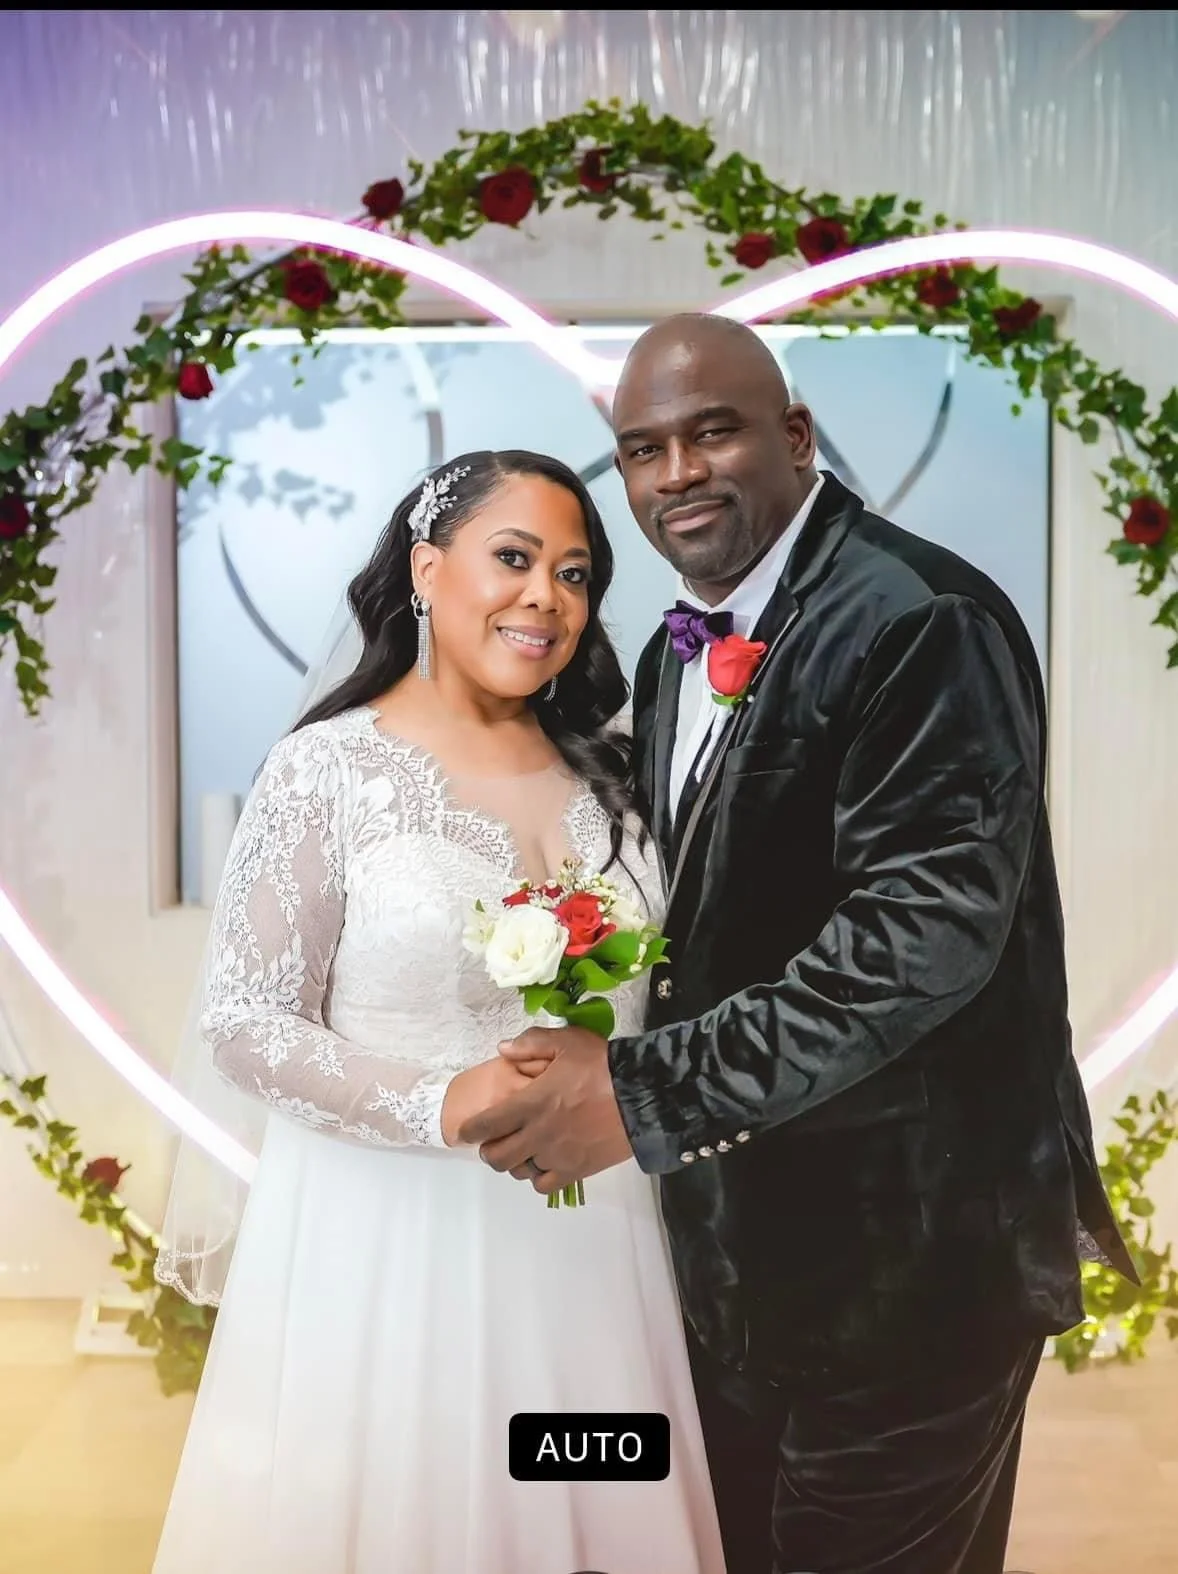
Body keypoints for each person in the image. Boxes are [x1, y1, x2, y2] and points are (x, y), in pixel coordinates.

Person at [464, 317, 1137, 1574]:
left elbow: (917, 938)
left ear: (792, 435)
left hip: (912, 1270)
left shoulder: (918, 615)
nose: (676, 474)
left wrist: (638, 1090)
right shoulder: (677, 648)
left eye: (711, 431)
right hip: (736, 1264)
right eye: (642, 449)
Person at [152, 449, 725, 1574]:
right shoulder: (327, 768)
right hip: (382, 1254)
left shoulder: (610, 773)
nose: (545, 598)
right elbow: (244, 1019)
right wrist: (441, 1097)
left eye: (573, 574)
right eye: (512, 558)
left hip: (593, 1252)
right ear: (425, 568)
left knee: (583, 1502)